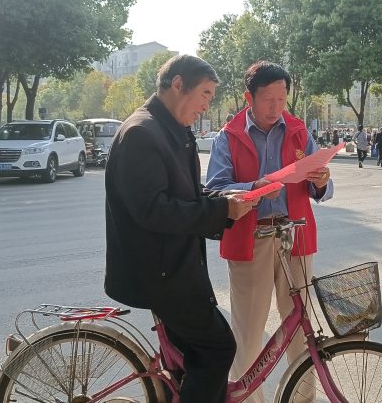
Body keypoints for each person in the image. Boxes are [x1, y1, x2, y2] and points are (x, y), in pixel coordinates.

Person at [104, 55, 258, 403]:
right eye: (204, 94)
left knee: (197, 361)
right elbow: (154, 210)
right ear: (177, 85)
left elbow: (186, 195)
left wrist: (227, 199)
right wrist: (221, 210)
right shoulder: (142, 133)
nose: (206, 106)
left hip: (174, 268)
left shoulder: (173, 131)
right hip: (160, 274)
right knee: (219, 348)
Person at [206, 61, 334, 402]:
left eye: (282, 98)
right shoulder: (228, 136)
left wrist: (322, 181)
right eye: (268, 99)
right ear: (249, 97)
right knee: (248, 332)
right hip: (251, 239)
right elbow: (215, 188)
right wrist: (254, 186)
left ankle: (301, 399)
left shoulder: (298, 131)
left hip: (297, 237)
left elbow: (319, 185)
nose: (277, 107)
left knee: (301, 329)